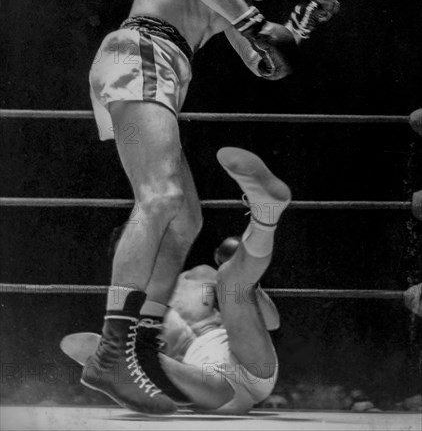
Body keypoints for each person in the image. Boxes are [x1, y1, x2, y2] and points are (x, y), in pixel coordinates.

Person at [85, 0, 342, 414]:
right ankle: (111, 351)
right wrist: (253, 22)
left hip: (159, 68)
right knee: (160, 199)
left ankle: (139, 349)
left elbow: (259, 62)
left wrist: (296, 31)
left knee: (185, 221)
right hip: (141, 52)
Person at [63, 147, 291, 413]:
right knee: (137, 356)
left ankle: (265, 215)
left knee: (231, 279)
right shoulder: (126, 310)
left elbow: (272, 322)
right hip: (205, 383)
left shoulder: (200, 276)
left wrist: (251, 285)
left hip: (252, 361)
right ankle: (121, 367)